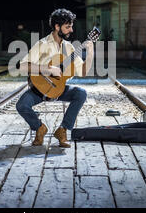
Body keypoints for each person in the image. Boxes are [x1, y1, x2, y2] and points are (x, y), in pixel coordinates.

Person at [16, 8, 94, 148]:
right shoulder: (42, 44)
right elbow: (22, 66)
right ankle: (39, 128)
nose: (71, 30)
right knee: (21, 105)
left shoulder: (69, 48)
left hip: (59, 89)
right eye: (67, 27)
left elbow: (83, 72)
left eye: (71, 26)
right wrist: (48, 69)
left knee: (81, 93)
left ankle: (62, 130)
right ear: (57, 27)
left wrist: (90, 52)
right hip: (39, 91)